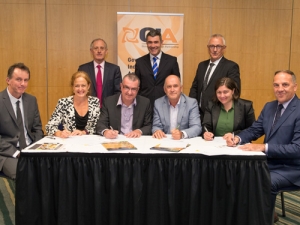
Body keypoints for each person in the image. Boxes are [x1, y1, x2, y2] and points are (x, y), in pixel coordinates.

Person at [226, 70, 300, 223]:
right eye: (276, 85)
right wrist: (237, 138)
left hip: (292, 168)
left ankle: (262, 218)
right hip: (267, 163)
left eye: (285, 84)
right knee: (238, 173)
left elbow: (297, 148)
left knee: (264, 181)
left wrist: (263, 147)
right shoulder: (269, 107)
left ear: (295, 87)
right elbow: (255, 130)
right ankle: (251, 215)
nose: (280, 89)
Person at [0, 63, 43, 179]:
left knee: (50, 170)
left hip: (30, 148)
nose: (23, 84)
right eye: (18, 79)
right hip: (8, 152)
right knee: (25, 174)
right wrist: (16, 153)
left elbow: (37, 128)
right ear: (8, 80)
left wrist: (37, 148)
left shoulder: (31, 100)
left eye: (26, 80)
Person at [189, 34, 240, 121]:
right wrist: (192, 107)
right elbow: (195, 88)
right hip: (199, 114)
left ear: (224, 48)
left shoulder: (231, 66)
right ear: (208, 48)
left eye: (218, 46)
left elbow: (235, 92)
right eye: (212, 46)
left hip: (218, 115)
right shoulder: (202, 65)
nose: (215, 50)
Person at [96, 74, 152, 139]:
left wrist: (139, 131)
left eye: (133, 89)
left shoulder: (145, 103)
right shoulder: (109, 102)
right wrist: (106, 131)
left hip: (136, 140)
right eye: (127, 87)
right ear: (121, 86)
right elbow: (101, 123)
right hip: (116, 140)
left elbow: (149, 126)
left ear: (138, 90)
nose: (129, 92)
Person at [46, 71, 100, 137]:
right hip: (69, 142)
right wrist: (60, 133)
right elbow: (49, 126)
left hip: (89, 143)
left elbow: (99, 126)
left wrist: (83, 132)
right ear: (73, 87)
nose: (80, 89)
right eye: (77, 86)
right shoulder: (63, 102)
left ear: (88, 86)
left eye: (83, 85)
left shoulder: (95, 102)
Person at [135, 29, 180, 108]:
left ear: (161, 42)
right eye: (150, 42)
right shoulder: (140, 62)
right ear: (146, 43)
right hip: (145, 107)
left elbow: (176, 85)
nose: (153, 46)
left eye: (156, 42)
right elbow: (137, 87)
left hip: (166, 106)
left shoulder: (172, 61)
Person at [152, 75, 202, 140]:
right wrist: (157, 131)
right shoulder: (158, 103)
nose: (172, 90)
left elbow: (196, 127)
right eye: (169, 87)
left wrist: (182, 134)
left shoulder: (191, 103)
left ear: (181, 88)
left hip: (184, 141)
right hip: (165, 140)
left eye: (175, 86)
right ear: (165, 90)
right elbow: (156, 126)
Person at [78, 38, 122, 106]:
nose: (99, 51)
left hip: (108, 109)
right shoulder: (83, 69)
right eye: (96, 48)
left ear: (106, 51)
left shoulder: (115, 69)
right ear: (91, 51)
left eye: (102, 48)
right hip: (88, 108)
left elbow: (118, 92)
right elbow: (79, 90)